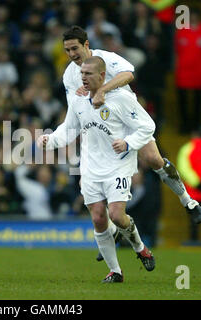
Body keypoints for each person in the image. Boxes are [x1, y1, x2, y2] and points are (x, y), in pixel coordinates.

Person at [60, 25, 201, 231]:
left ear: (86, 44)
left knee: (153, 160)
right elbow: (75, 106)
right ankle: (107, 234)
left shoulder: (105, 58)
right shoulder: (69, 75)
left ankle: (188, 201)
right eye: (67, 50)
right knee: (94, 174)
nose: (72, 54)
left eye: (75, 48)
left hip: (127, 116)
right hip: (102, 126)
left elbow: (128, 74)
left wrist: (102, 90)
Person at [38, 56, 156, 283]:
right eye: (82, 74)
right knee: (99, 218)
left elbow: (148, 126)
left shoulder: (121, 98)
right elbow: (69, 128)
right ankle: (115, 271)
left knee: (117, 215)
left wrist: (128, 143)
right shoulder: (78, 101)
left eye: (88, 74)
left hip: (118, 165)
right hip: (90, 168)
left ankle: (140, 248)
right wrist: (50, 140)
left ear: (102, 76)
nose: (83, 78)